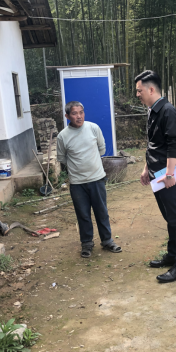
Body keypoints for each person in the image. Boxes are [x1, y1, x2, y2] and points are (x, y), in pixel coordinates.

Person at [135, 70, 176, 283]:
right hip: (157, 174)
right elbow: (153, 144)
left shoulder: (168, 111)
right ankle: (172, 255)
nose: (137, 95)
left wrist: (169, 174)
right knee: (169, 218)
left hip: (168, 175)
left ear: (151, 89)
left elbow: (174, 144)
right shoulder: (152, 111)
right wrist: (146, 168)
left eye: (139, 91)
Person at [56, 101, 121, 258]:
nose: (79, 116)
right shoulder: (63, 136)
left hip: (97, 179)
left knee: (101, 212)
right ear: (67, 116)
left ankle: (107, 241)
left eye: (81, 112)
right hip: (77, 183)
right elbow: (62, 158)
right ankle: (87, 244)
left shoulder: (93, 128)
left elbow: (102, 148)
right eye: (74, 113)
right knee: (83, 214)